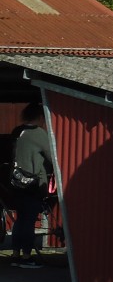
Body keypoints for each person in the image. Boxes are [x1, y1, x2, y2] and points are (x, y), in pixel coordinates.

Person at [10, 102, 54, 269]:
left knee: (20, 220)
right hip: (32, 184)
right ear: (41, 117)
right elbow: (53, 157)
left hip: (16, 183)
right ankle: (27, 256)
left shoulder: (17, 132)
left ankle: (15, 254)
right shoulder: (38, 134)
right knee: (28, 220)